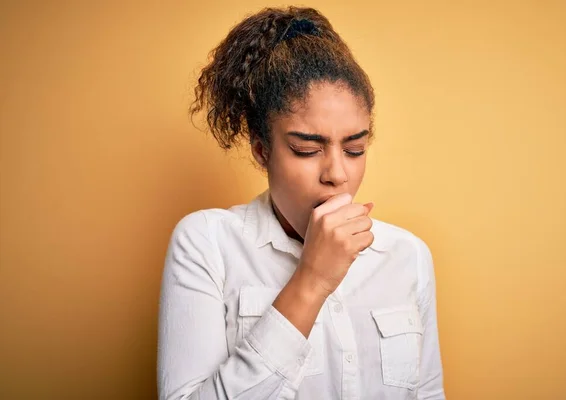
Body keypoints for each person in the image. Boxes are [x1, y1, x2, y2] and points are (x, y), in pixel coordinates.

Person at [158, 6, 445, 400]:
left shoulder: (408, 256)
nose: (337, 174)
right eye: (307, 150)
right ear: (262, 152)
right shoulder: (207, 243)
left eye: (355, 149)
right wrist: (312, 280)